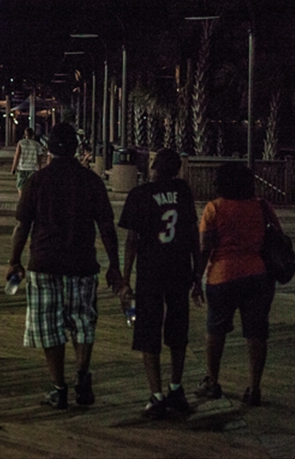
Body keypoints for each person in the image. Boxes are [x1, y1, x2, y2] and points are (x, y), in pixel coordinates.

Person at [6, 122, 122, 410]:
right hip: (82, 264)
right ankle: (82, 373)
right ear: (75, 149)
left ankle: (59, 388)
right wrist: (115, 267)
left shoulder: (37, 181)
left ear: (48, 149)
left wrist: (14, 261)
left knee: (49, 328)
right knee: (83, 323)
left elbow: (22, 226)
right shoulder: (91, 181)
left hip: (44, 263)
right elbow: (106, 227)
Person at [117, 148, 202, 419]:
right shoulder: (183, 194)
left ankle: (156, 395)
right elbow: (192, 236)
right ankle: (176, 388)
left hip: (150, 271)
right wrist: (198, 275)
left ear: (153, 167)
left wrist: (125, 279)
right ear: (177, 169)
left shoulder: (140, 195)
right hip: (179, 270)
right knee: (178, 331)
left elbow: (132, 240)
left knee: (147, 332)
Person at [195, 162, 279, 407]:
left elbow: (204, 248)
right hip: (257, 275)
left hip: (222, 276)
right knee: (256, 333)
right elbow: (277, 237)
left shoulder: (214, 209)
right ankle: (254, 387)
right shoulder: (261, 207)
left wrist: (196, 280)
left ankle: (212, 381)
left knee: (216, 330)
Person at [11, 127, 44, 198]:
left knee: (20, 186)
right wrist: (39, 168)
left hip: (22, 168)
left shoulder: (20, 143)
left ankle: (21, 200)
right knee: (32, 187)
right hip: (33, 168)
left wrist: (13, 168)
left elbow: (17, 156)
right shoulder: (37, 144)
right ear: (33, 134)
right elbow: (39, 158)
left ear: (25, 134)